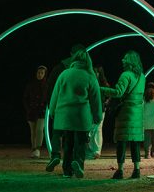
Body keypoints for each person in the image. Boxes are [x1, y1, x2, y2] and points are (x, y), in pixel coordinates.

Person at [48, 49, 101, 178]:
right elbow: (95, 99)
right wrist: (97, 116)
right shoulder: (90, 76)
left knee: (68, 143)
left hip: (64, 115)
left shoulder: (64, 74)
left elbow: (55, 94)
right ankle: (78, 163)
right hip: (81, 116)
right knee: (81, 143)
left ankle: (67, 171)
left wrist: (52, 110)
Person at [101, 50, 146, 179]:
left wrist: (101, 89)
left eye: (125, 58)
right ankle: (136, 170)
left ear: (130, 60)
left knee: (122, 141)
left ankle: (120, 170)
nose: (122, 60)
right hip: (137, 112)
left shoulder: (126, 75)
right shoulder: (142, 76)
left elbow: (118, 92)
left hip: (126, 112)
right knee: (135, 142)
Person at [45, 43, 86, 169]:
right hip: (77, 109)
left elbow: (51, 88)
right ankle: (75, 163)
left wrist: (51, 108)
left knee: (57, 132)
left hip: (60, 106)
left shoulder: (60, 69)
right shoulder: (85, 70)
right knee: (74, 138)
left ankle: (56, 155)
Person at [23, 65, 48, 158]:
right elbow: (25, 98)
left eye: (42, 73)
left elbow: (49, 98)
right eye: (38, 72)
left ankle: (37, 148)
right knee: (33, 131)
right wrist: (28, 108)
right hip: (32, 111)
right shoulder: (31, 85)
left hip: (42, 112)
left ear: (45, 74)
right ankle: (34, 149)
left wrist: (46, 108)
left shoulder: (47, 85)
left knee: (39, 129)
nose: (40, 74)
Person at [86, 66, 110, 159]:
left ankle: (95, 151)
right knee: (93, 129)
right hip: (92, 108)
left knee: (96, 129)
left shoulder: (101, 84)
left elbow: (109, 96)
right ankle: (93, 150)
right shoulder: (91, 83)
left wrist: (105, 103)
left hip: (99, 109)